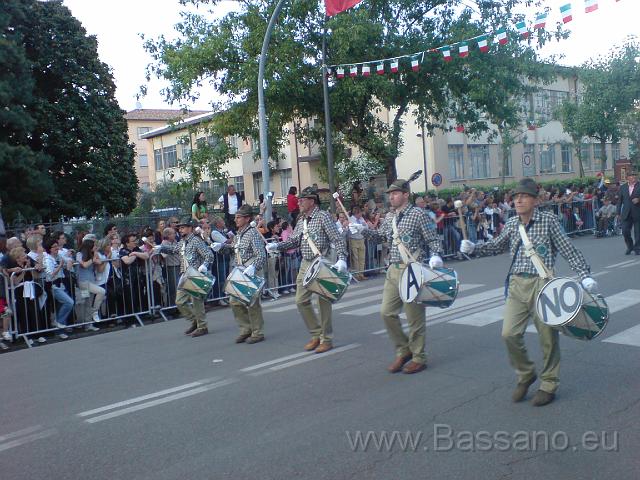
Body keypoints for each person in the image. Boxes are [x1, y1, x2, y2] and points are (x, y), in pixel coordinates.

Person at [460, 178, 598, 407]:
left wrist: (584, 275)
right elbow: (497, 244)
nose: (518, 200)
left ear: (535, 200)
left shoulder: (549, 221)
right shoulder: (513, 223)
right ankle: (526, 374)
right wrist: (474, 247)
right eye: (515, 197)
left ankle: (549, 383)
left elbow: (568, 249)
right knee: (509, 334)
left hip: (542, 286)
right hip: (516, 285)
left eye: (523, 196)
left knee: (547, 338)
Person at [352, 179, 443, 375]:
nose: (391, 197)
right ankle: (404, 349)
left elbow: (432, 239)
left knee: (414, 318)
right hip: (393, 269)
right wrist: (363, 230)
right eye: (390, 194)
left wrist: (436, 255)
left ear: (405, 195)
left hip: (412, 268)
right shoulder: (390, 216)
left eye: (395, 193)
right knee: (386, 312)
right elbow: (382, 237)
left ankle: (419, 357)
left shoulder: (418, 214)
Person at [266, 186, 348, 353]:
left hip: (322, 261)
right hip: (306, 263)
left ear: (312, 201)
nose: (299, 202)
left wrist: (342, 259)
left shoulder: (323, 216)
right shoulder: (301, 219)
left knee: (323, 302)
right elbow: (294, 241)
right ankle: (316, 334)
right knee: (300, 300)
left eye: (302, 200)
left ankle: (326, 338)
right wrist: (277, 245)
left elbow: (336, 238)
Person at [212, 205, 266, 344]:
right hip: (240, 270)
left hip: (250, 269)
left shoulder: (253, 233)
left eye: (238, 217)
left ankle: (257, 332)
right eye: (235, 217)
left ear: (247, 218)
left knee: (253, 302)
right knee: (234, 301)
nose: (235, 220)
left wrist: (254, 267)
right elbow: (233, 249)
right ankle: (246, 329)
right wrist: (221, 248)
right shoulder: (239, 234)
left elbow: (261, 254)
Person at [156, 217, 215, 337]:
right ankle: (195, 321)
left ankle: (202, 326)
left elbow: (209, 255)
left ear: (191, 228)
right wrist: (161, 248)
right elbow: (174, 250)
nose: (180, 230)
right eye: (179, 228)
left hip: (195, 274)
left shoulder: (197, 241)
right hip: (184, 274)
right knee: (179, 302)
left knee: (197, 302)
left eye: (183, 227)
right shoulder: (182, 242)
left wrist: (204, 265)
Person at [617, 170, 640, 255]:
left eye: (634, 175)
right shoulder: (623, 187)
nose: (633, 176)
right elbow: (619, 201)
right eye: (631, 175)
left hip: (637, 212)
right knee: (625, 231)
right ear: (627, 177)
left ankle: (637, 248)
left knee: (638, 232)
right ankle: (630, 246)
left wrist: (639, 199)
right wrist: (618, 213)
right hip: (626, 213)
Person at [348, 206, 367, 281]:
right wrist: (361, 226)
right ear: (357, 213)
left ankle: (361, 274)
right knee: (355, 258)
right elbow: (355, 229)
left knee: (362, 257)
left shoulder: (361, 219)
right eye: (360, 213)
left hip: (361, 239)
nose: (361, 215)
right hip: (354, 239)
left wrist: (362, 226)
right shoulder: (351, 219)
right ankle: (357, 274)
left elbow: (366, 227)